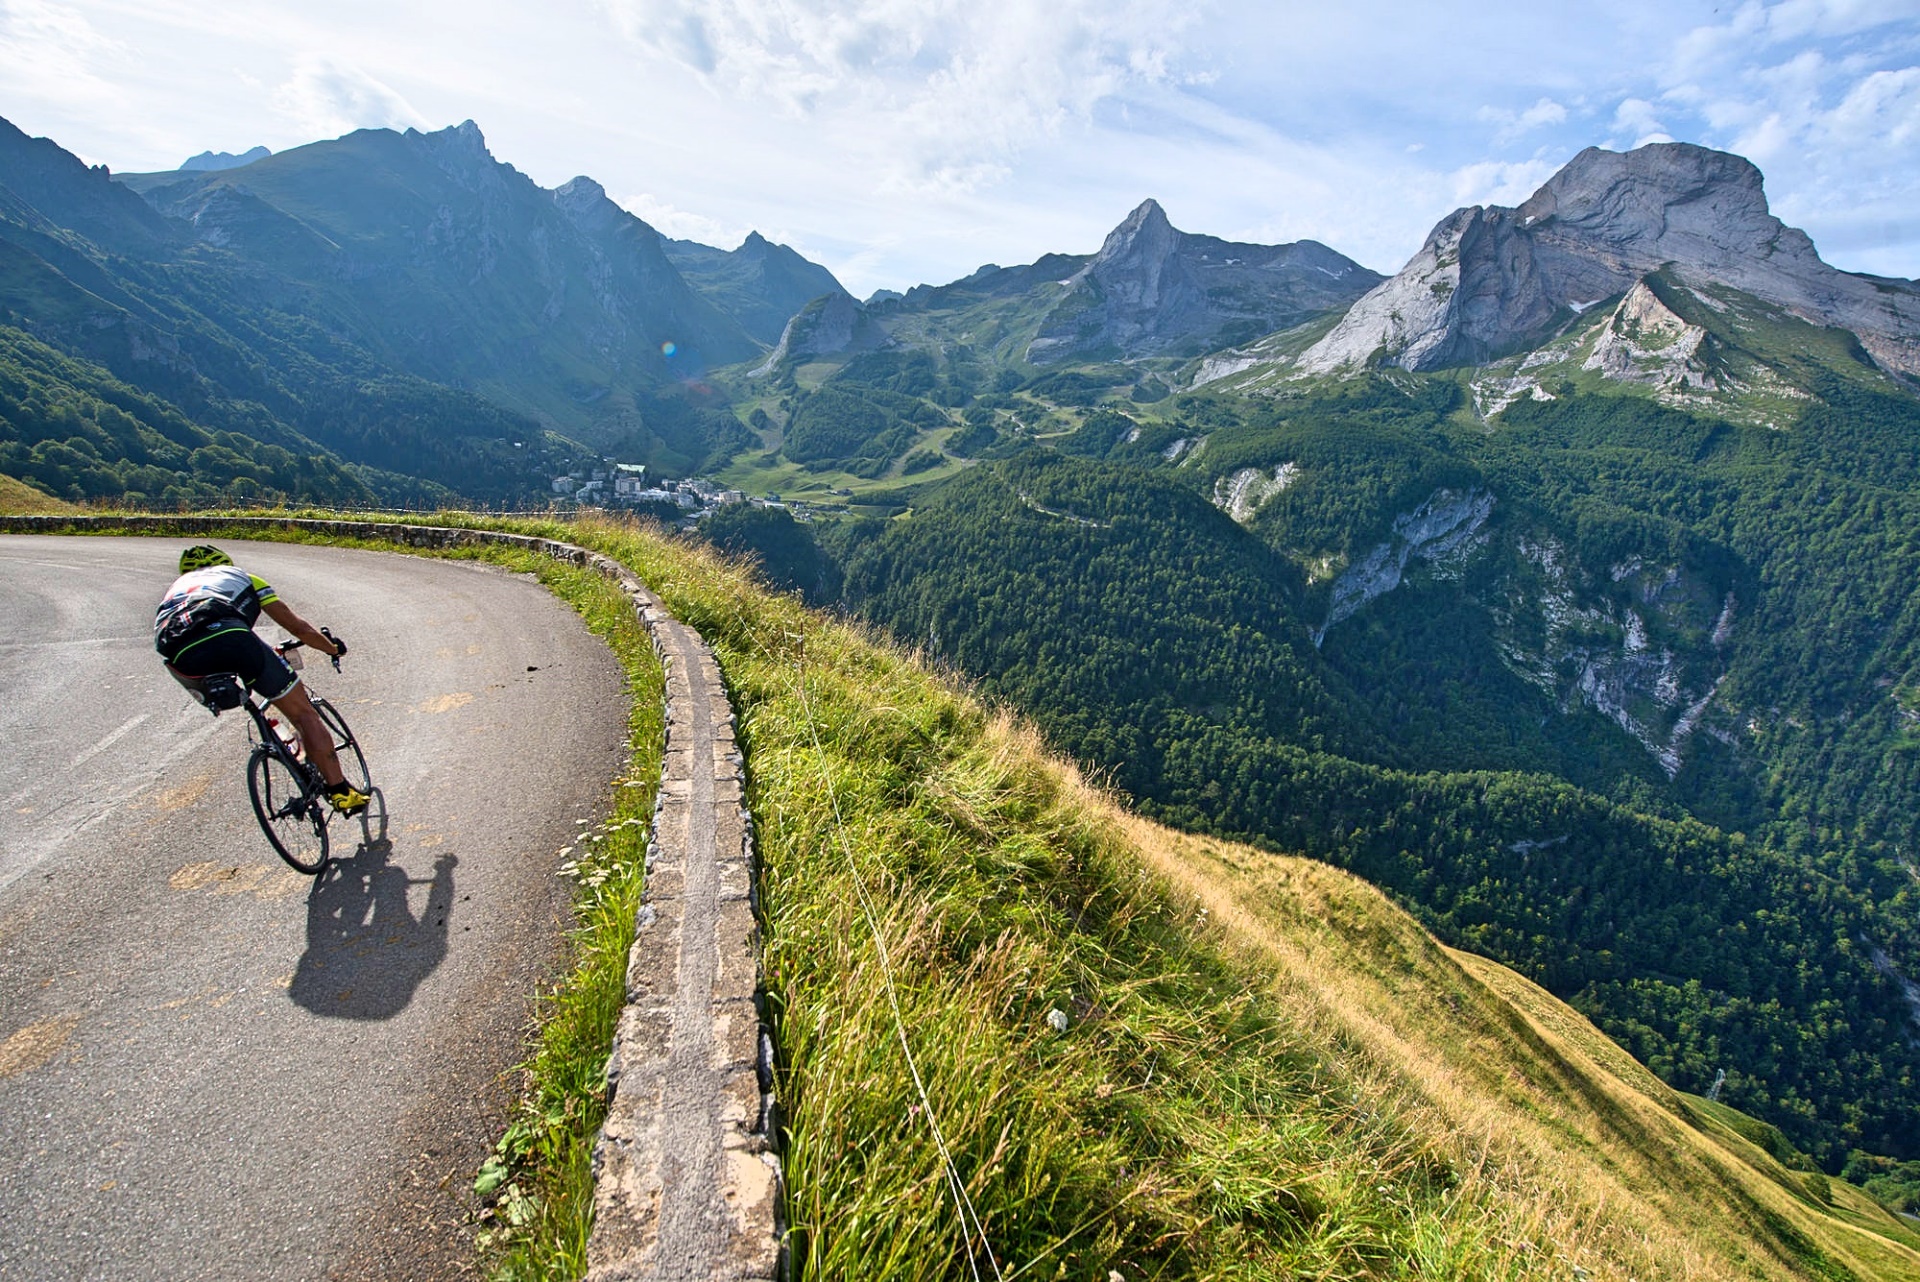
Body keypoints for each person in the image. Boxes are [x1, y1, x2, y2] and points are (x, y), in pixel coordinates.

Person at [155, 545, 370, 815]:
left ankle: (271, 740)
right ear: (225, 563)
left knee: (234, 696)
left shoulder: (174, 592)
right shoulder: (241, 577)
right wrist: (332, 648)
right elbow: (298, 628)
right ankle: (340, 792)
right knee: (303, 714)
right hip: (231, 636)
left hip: (176, 651)